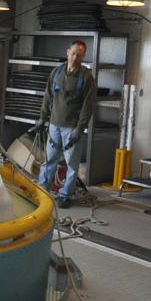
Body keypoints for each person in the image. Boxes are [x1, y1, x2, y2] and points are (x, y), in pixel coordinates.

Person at [34, 40, 97, 209]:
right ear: (67, 52)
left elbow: (88, 106)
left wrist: (79, 128)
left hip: (71, 128)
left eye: (80, 55)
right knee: (49, 160)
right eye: (73, 53)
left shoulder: (86, 77)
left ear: (83, 57)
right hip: (54, 124)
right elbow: (47, 96)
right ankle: (43, 190)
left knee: (71, 164)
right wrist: (42, 118)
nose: (75, 57)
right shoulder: (56, 72)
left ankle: (65, 194)